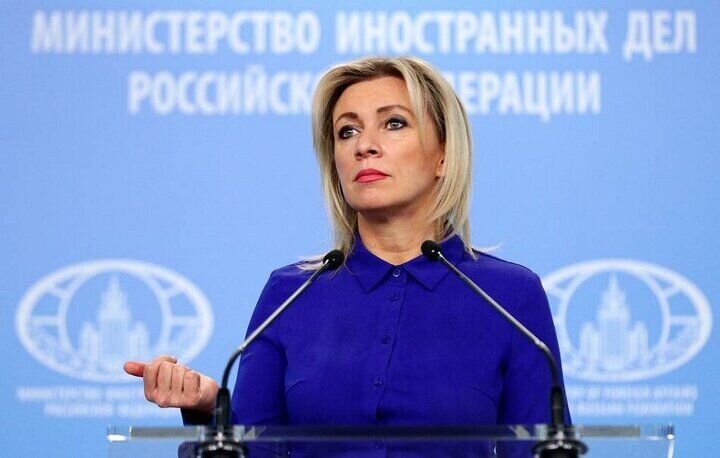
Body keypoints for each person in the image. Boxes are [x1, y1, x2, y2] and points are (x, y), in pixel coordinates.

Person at [124, 56, 568, 454]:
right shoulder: (290, 294)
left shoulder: (510, 295)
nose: (363, 146)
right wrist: (209, 409)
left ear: (444, 156)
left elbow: (544, 452)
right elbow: (255, 453)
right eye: (347, 131)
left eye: (393, 123)